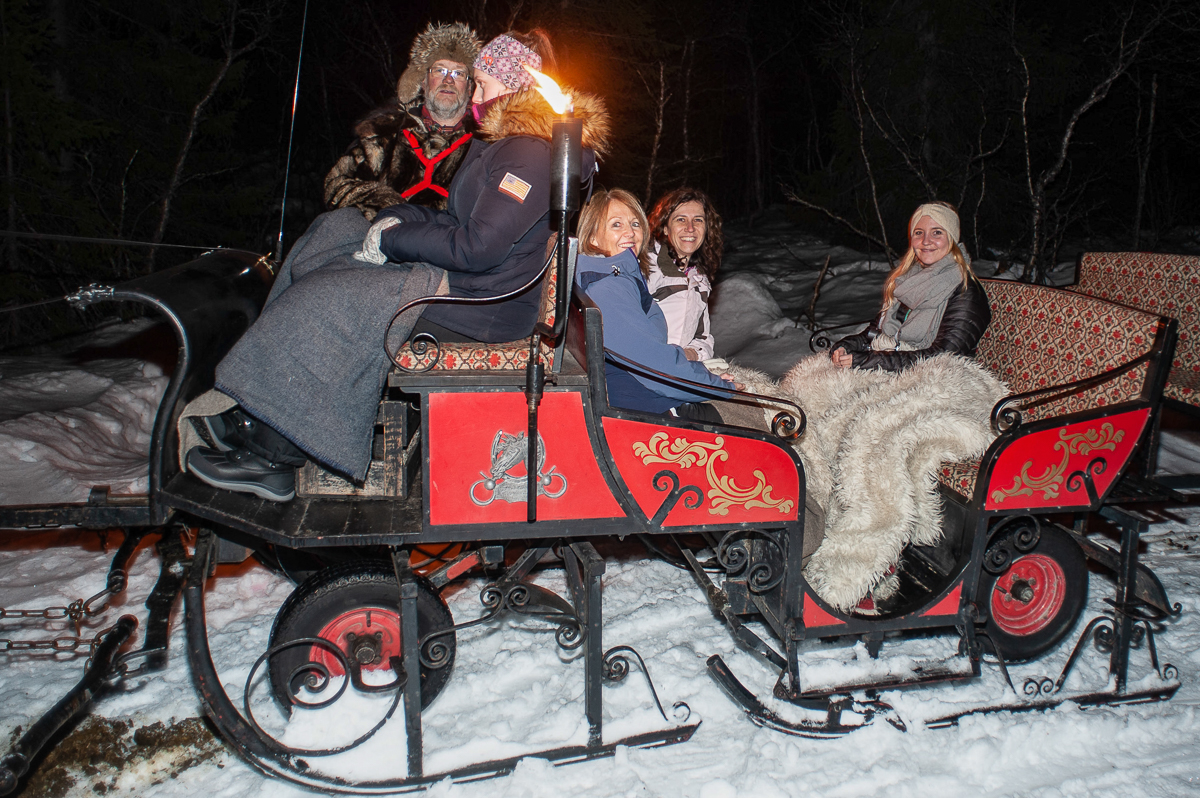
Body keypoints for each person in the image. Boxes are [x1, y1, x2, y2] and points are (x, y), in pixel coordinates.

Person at [187, 29, 610, 501]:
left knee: (337, 300)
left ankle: (273, 457)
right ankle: (260, 405)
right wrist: (393, 217)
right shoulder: (500, 145)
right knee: (337, 231)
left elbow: (478, 249)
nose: (474, 94)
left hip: (483, 301)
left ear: (511, 88)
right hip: (468, 282)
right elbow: (452, 217)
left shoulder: (528, 153)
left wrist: (396, 241)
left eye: (483, 84)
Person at [574, 189, 741, 420]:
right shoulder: (611, 283)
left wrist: (694, 358)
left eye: (635, 224)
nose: (630, 233)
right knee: (749, 422)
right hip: (643, 399)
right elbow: (649, 360)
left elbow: (701, 337)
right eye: (616, 225)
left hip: (662, 382)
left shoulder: (630, 276)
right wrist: (715, 385)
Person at [324, 23, 481, 219]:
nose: (448, 80)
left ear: (469, 87)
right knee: (329, 225)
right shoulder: (383, 134)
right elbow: (335, 185)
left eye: (458, 73)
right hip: (378, 240)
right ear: (422, 82)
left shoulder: (484, 147)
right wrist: (388, 205)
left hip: (446, 244)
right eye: (439, 70)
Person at [830, 201, 990, 372]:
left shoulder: (964, 290)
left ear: (951, 238)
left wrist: (870, 361)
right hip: (896, 366)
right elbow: (873, 333)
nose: (926, 241)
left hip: (940, 379)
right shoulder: (907, 280)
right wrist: (846, 346)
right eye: (919, 233)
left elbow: (944, 356)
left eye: (937, 232)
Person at [646, 188, 723, 362]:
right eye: (681, 219)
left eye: (698, 220)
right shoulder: (647, 267)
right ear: (665, 227)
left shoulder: (699, 279)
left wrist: (691, 354)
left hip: (677, 371)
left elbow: (703, 338)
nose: (690, 228)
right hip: (643, 369)